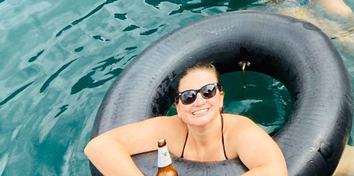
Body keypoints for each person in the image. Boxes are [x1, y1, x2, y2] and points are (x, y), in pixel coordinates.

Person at [84, 61, 287, 176]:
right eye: (188, 96)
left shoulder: (240, 132)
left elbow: (275, 170)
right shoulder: (169, 129)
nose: (199, 101)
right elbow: (98, 147)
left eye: (208, 91)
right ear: (178, 107)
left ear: (221, 98)